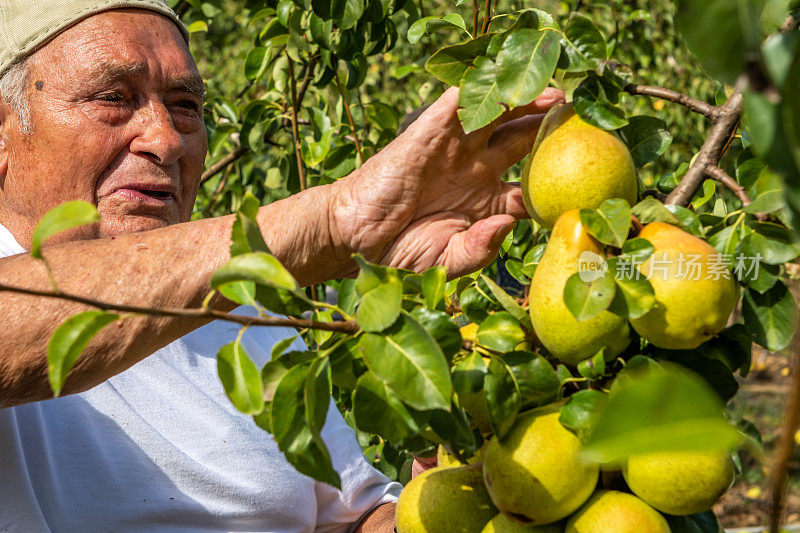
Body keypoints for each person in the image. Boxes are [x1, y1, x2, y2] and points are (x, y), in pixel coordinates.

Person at [0, 0, 564, 530]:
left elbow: (344, 517)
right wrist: (329, 223)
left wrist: (456, 490)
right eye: (113, 97)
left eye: (185, 106)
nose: (166, 140)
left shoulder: (245, 316)